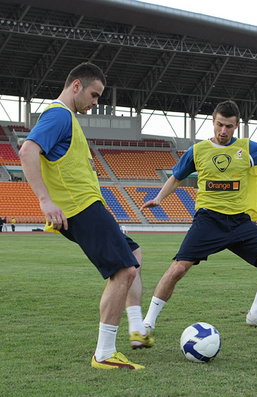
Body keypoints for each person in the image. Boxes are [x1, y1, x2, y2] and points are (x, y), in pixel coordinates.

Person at [141, 100, 257, 335]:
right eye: (219, 125)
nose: (223, 131)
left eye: (229, 126)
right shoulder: (198, 151)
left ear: (237, 125)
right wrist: (160, 198)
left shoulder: (246, 147)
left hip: (239, 222)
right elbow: (177, 176)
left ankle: (256, 313)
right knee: (179, 268)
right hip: (208, 220)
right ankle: (147, 322)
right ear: (212, 122)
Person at [18, 62, 151, 371]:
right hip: (80, 208)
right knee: (124, 271)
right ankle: (104, 353)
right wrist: (45, 201)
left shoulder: (67, 119)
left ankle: (136, 328)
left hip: (88, 205)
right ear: (76, 85)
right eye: (94, 95)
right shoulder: (58, 114)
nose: (95, 103)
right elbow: (27, 152)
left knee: (133, 254)